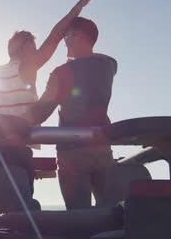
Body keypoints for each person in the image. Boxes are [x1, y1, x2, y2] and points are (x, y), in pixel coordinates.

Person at [0, 0, 102, 195]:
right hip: (17, 150)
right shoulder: (26, 67)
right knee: (21, 210)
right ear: (23, 49)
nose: (37, 51)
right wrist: (80, 4)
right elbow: (56, 35)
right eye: (33, 46)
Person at [21, 15, 117, 209]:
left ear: (79, 36)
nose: (65, 41)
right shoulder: (109, 66)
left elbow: (40, 113)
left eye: (68, 36)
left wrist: (12, 123)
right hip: (103, 150)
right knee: (110, 214)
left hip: (73, 154)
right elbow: (104, 58)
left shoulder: (62, 73)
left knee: (79, 217)